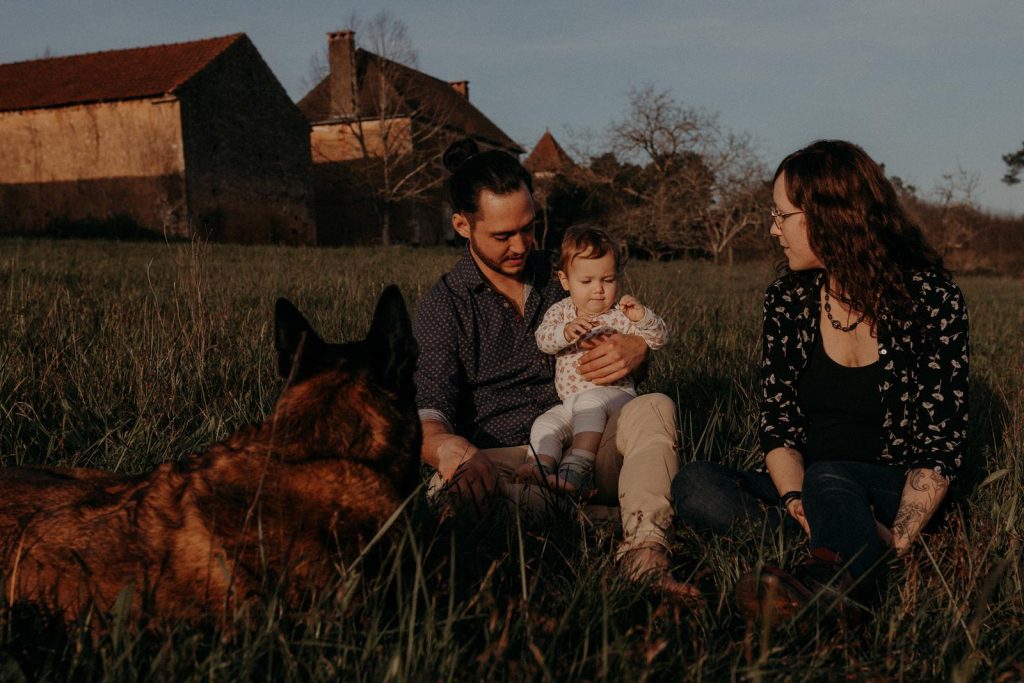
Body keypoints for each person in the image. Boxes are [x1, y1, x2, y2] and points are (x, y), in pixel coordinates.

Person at [671, 139, 969, 620]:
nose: (773, 230)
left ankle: (832, 584)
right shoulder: (788, 300)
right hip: (811, 488)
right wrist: (794, 499)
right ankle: (838, 552)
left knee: (832, 476)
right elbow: (779, 422)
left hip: (895, 489)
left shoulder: (932, 299)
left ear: (829, 216)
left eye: (782, 216)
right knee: (696, 484)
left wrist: (904, 536)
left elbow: (941, 444)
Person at [414, 139, 691, 597]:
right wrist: (445, 448)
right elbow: (431, 408)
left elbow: (624, 337)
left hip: (596, 440)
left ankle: (645, 549)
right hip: (514, 462)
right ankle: (610, 517)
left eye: (528, 227)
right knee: (442, 497)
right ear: (463, 225)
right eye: (503, 236)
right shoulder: (445, 305)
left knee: (656, 407)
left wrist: (639, 351)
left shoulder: (564, 271)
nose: (521, 245)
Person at [516, 225, 668, 496]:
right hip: (570, 403)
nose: (598, 290)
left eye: (607, 280)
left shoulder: (621, 313)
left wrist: (642, 318)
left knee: (590, 403)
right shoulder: (561, 312)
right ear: (565, 280)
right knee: (546, 423)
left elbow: (660, 338)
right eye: (586, 282)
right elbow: (543, 340)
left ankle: (578, 470)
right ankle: (540, 467)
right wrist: (565, 332)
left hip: (616, 398)